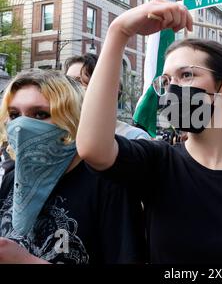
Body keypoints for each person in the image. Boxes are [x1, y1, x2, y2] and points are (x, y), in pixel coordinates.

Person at [76, 0, 222, 263]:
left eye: (186, 75)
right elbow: (93, 148)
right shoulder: (160, 162)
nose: (172, 88)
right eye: (166, 81)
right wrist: (119, 32)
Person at [0, 70, 145, 264]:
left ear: (73, 118)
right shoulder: (12, 179)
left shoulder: (109, 184)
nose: (21, 126)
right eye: (14, 114)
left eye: (41, 114)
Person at [64, 53, 150, 140]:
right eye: (66, 81)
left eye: (78, 82)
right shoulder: (56, 131)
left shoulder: (135, 137)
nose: (68, 87)